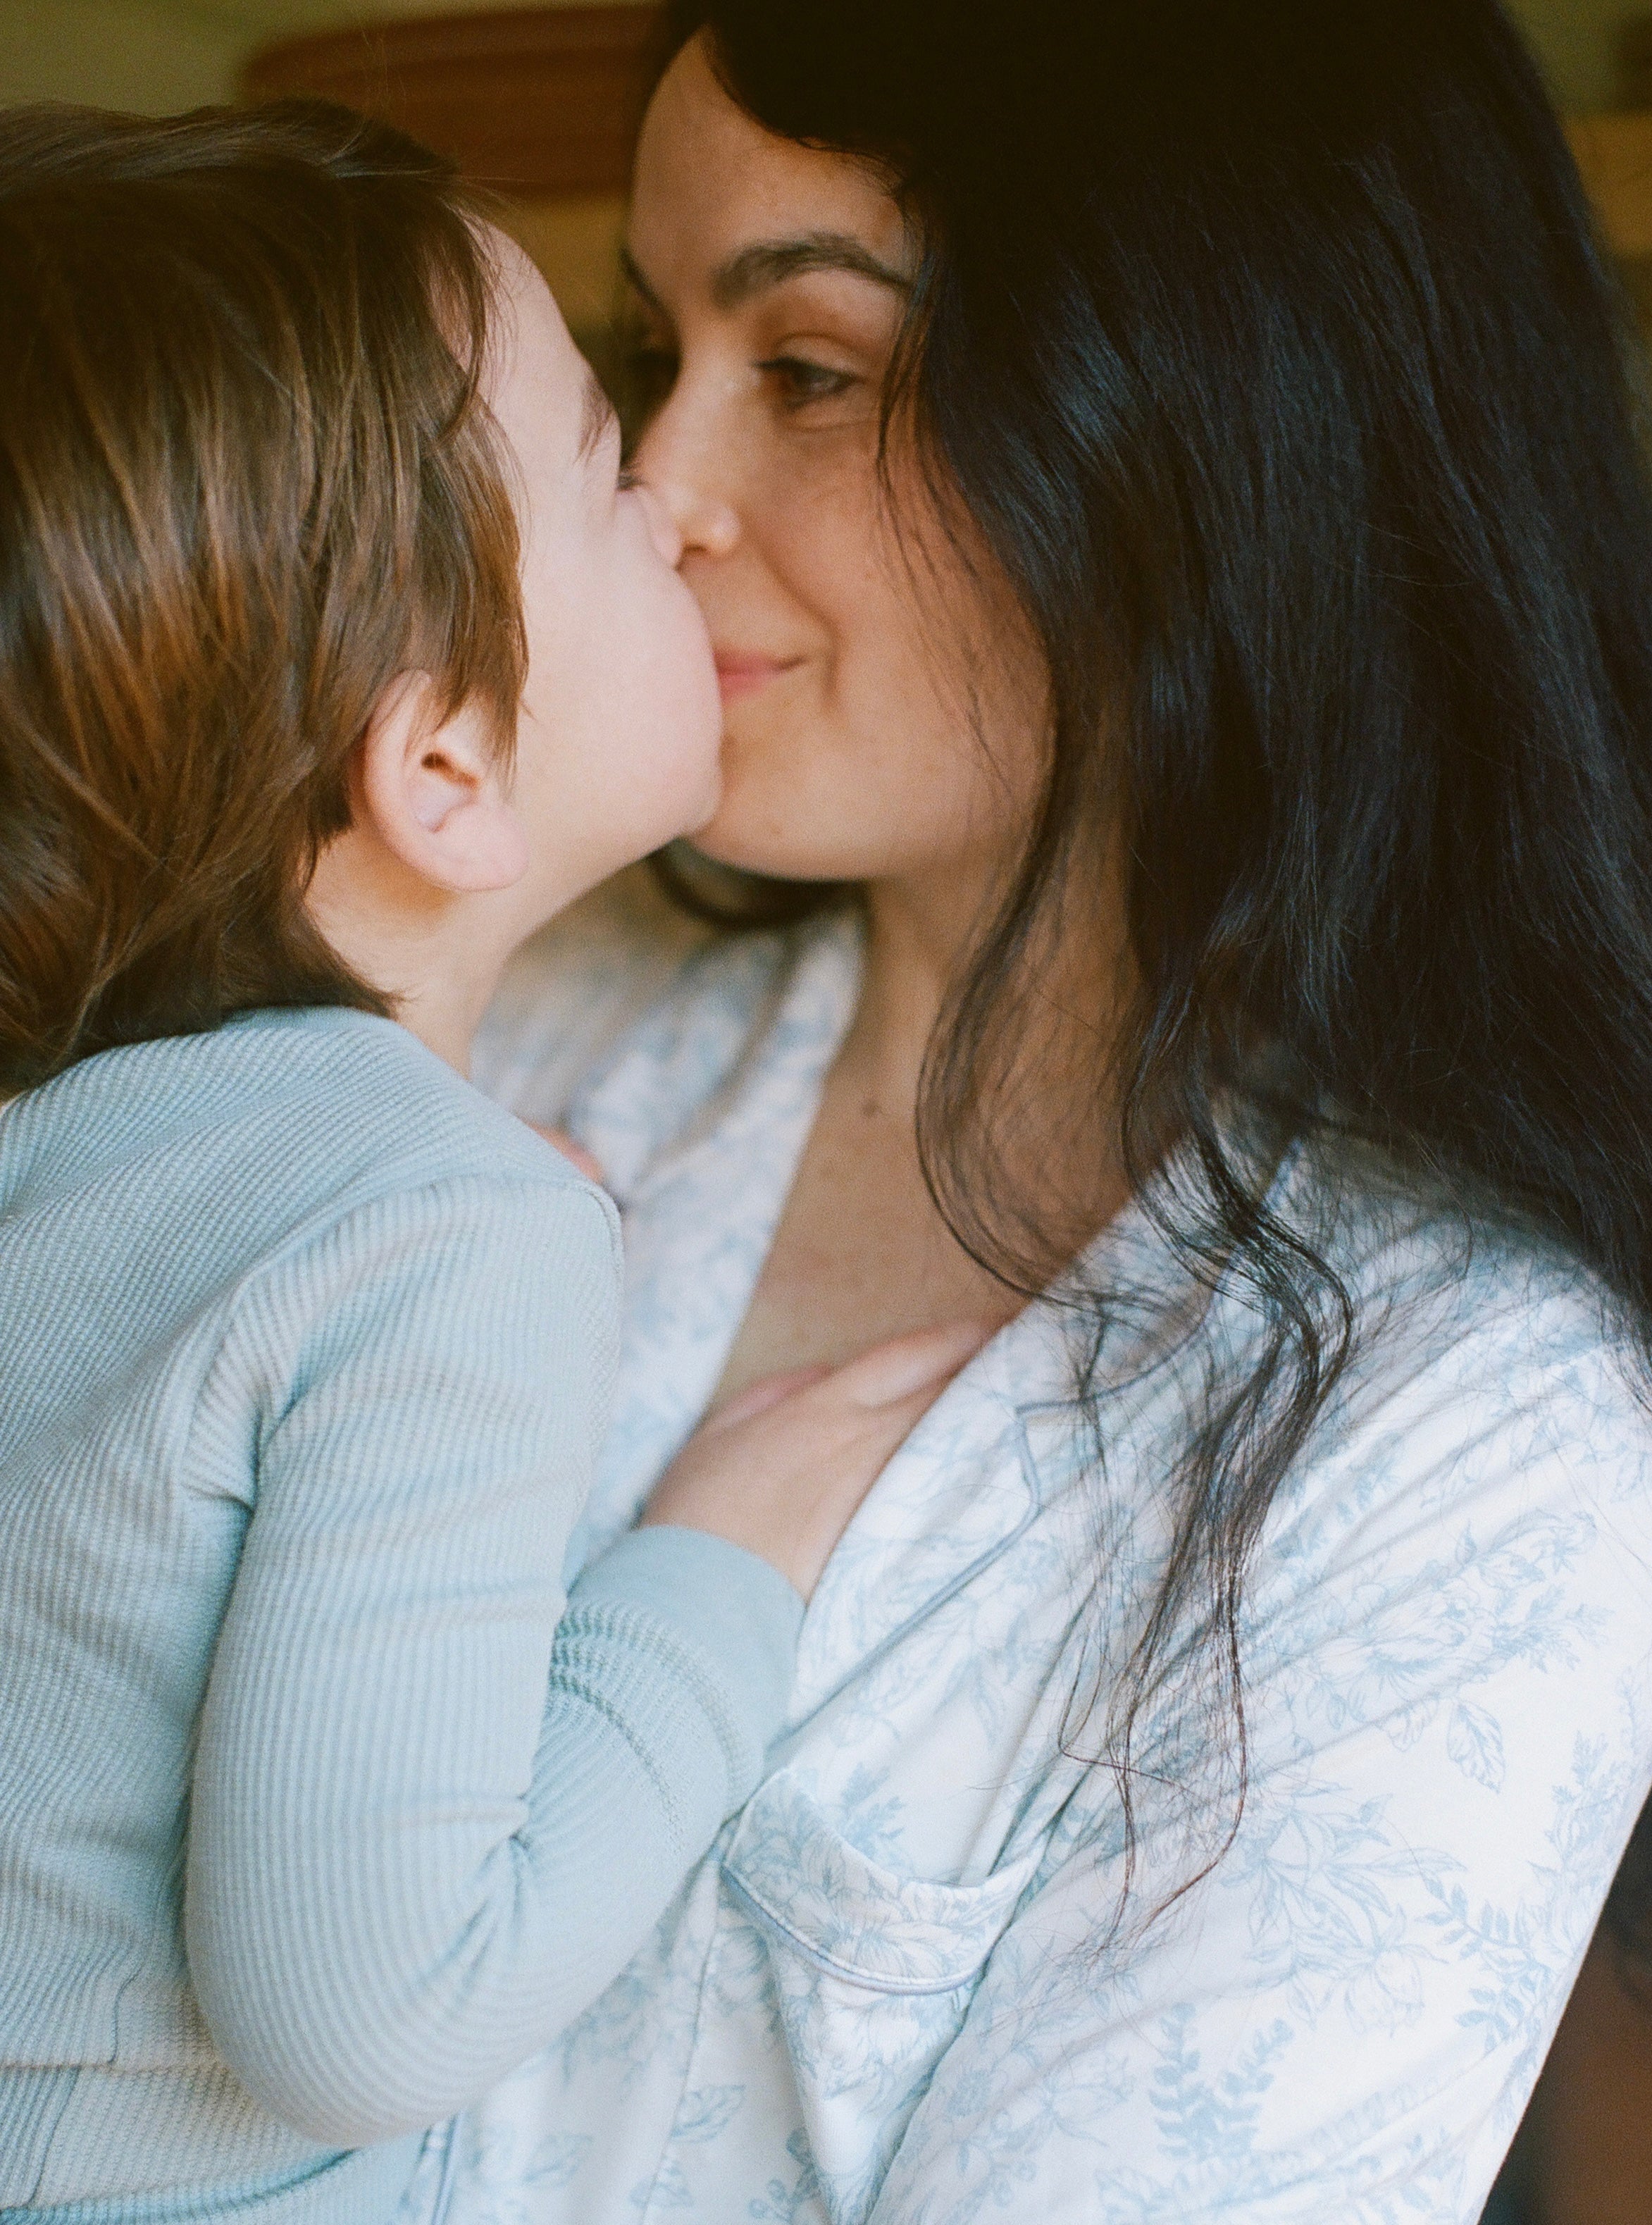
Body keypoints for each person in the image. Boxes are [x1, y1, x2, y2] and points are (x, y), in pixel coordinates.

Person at [417, 1, 1652, 2219]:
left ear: (1221, 415)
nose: (658, 489)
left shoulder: (1494, 1430)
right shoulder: (498, 992)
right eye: (650, 351)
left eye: (805, 369)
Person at [0, 101, 978, 2225]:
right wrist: (720, 1562)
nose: (685, 511)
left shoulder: (56, 1156)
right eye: (609, 482)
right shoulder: (447, 1233)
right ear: (441, 760)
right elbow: (370, 2010)